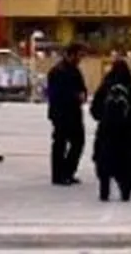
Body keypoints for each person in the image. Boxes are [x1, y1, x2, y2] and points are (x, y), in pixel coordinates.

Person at [89, 59, 131, 202]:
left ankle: (104, 190)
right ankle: (126, 190)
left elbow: (95, 110)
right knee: (128, 161)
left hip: (106, 131)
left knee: (104, 159)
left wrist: (104, 117)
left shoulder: (105, 86)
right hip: (128, 132)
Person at [46, 43, 87, 186]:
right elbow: (56, 94)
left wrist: (82, 94)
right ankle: (58, 175)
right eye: (79, 55)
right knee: (60, 144)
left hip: (74, 112)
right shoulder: (58, 71)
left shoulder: (75, 70)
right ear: (71, 54)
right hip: (61, 113)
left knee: (78, 142)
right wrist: (74, 96)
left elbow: (82, 87)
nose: (80, 59)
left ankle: (68, 171)